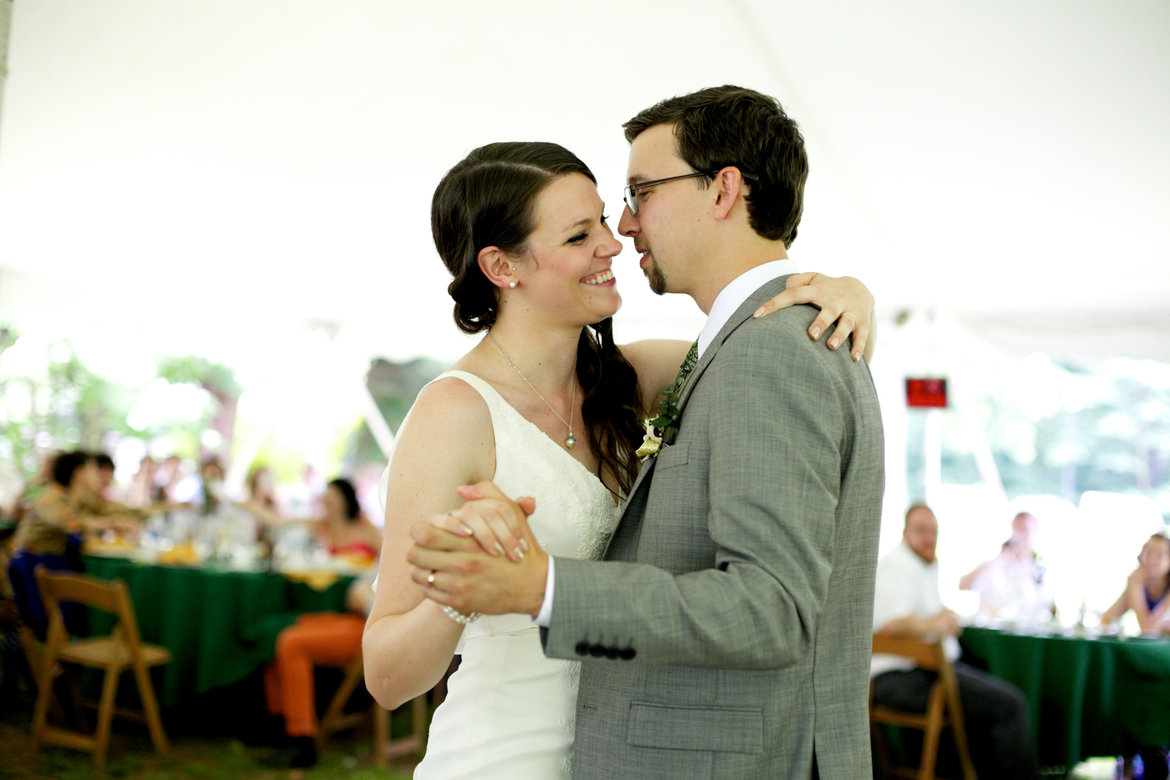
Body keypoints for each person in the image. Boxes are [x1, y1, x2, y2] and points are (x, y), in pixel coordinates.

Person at [383, 85, 884, 778]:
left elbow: (771, 369)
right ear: (502, 268)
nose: (616, 239)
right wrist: (466, 582)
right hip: (505, 753)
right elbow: (386, 673)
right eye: (580, 233)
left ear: (722, 190)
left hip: (616, 750)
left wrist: (847, 289)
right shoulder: (453, 414)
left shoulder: (640, 376)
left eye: (629, 201)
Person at [872, 504, 1040, 779]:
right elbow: (890, 623)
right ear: (905, 532)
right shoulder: (896, 565)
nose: (929, 538)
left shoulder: (919, 564)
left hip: (921, 669)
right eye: (922, 530)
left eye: (934, 532)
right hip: (903, 675)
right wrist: (936, 625)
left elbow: (915, 612)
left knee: (983, 685)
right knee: (1011, 705)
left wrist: (943, 615)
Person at [260, 572, 376, 769]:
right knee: (281, 627)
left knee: (292, 644)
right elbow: (357, 587)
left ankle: (301, 740)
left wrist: (365, 601)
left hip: (371, 628)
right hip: (355, 617)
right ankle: (279, 726)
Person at [958, 511, 1054, 622]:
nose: (1020, 535)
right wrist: (1000, 555)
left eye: (1025, 529)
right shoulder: (995, 564)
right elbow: (963, 585)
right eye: (1017, 528)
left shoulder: (1040, 570)